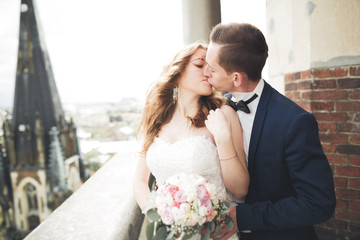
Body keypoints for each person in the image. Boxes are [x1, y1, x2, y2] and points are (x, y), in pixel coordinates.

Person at [203, 23, 336, 240]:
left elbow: (318, 204)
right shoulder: (218, 108)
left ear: (236, 78)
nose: (205, 72)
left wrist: (243, 216)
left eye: (212, 67)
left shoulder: (294, 122)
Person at [132, 42, 249, 240]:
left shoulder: (223, 114)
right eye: (199, 65)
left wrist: (223, 139)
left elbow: (240, 189)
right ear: (178, 71)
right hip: (171, 233)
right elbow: (139, 181)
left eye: (211, 67)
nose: (207, 72)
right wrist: (160, 215)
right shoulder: (156, 119)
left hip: (215, 233)